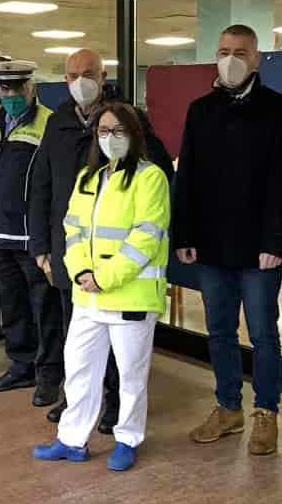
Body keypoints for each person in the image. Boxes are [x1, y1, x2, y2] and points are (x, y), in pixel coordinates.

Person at [29, 48, 175, 430]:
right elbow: (43, 184)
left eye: (88, 73)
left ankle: (114, 406)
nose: (81, 81)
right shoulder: (58, 121)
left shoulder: (131, 119)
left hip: (123, 267)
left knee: (121, 354)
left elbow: (156, 174)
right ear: (64, 80)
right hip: (74, 257)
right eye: (73, 75)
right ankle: (76, 402)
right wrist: (42, 246)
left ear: (104, 74)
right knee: (76, 339)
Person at [177, 24, 282, 456]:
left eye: (241, 52)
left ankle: (266, 412)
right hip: (211, 245)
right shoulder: (201, 110)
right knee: (219, 331)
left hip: (260, 249)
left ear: (257, 58)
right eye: (224, 50)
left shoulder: (280, 111)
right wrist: (185, 233)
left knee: (264, 333)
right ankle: (227, 407)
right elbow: (188, 177)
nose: (231, 59)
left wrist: (277, 241)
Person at [0, 60, 63, 405]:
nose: (11, 95)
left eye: (18, 88)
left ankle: (49, 375)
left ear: (32, 88)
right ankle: (20, 365)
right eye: (5, 88)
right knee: (12, 306)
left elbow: (52, 184)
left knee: (44, 308)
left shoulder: (49, 123)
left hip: (32, 237)